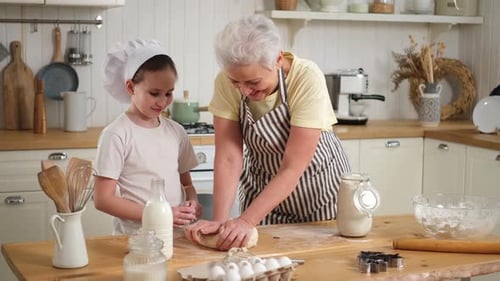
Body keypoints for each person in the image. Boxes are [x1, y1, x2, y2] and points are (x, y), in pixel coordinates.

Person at [185, 15, 351, 250]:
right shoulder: (225, 82)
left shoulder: (305, 77)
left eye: (253, 82)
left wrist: (245, 220)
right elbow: (229, 157)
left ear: (277, 59)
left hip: (319, 193)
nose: (244, 90)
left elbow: (293, 166)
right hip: (263, 195)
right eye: (235, 82)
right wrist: (220, 222)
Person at [94, 39, 202, 235]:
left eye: (169, 93)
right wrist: (160, 214)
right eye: (154, 93)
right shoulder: (117, 134)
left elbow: (186, 184)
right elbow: (103, 199)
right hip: (136, 239)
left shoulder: (176, 132)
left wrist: (193, 203)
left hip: (178, 237)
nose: (162, 102)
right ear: (130, 87)